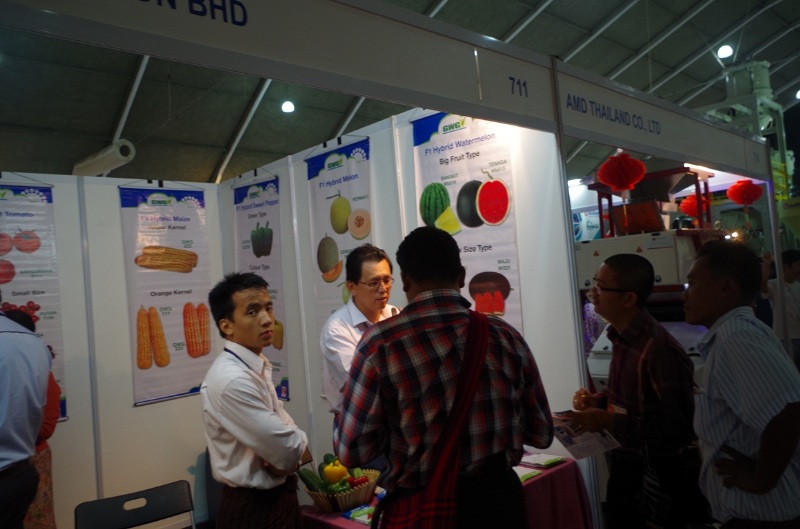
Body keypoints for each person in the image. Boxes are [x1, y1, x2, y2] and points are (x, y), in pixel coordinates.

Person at [335, 227, 553, 528]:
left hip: (423, 507)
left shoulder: (379, 344)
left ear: (405, 280)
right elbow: (541, 433)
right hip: (500, 504)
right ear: (461, 277)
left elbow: (351, 452)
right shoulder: (506, 336)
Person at [567, 253, 697, 529]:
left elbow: (679, 428)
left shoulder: (659, 349)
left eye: (601, 286)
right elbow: (631, 400)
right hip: (624, 467)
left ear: (628, 299)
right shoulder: (620, 337)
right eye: (594, 283)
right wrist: (597, 402)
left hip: (656, 479)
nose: (593, 292)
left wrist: (611, 422)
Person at [684, 240, 800, 526]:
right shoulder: (731, 335)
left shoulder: (736, 337)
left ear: (726, 287)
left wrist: (762, 479)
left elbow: (789, 411)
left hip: (759, 515)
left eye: (693, 284)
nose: (684, 295)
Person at [201, 272, 309, 529]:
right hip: (252, 508)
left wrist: (290, 451)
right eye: (252, 312)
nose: (267, 319)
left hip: (277, 499)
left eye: (268, 308)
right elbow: (288, 449)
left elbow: (285, 435)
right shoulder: (232, 379)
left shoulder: (255, 364)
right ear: (227, 326)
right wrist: (293, 451)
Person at [320, 244, 398, 431]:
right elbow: (362, 386)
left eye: (387, 280)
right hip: (357, 424)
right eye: (373, 283)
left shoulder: (395, 315)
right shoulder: (337, 329)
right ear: (352, 287)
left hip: (394, 420)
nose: (383, 289)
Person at [4, 310, 62, 529]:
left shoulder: (38, 362)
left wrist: (16, 429)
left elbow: (46, 427)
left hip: (25, 462)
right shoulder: (33, 348)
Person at [760, 249, 800, 369]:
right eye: (798, 265)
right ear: (786, 267)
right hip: (785, 337)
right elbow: (762, 287)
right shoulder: (775, 285)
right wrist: (767, 266)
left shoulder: (798, 286)